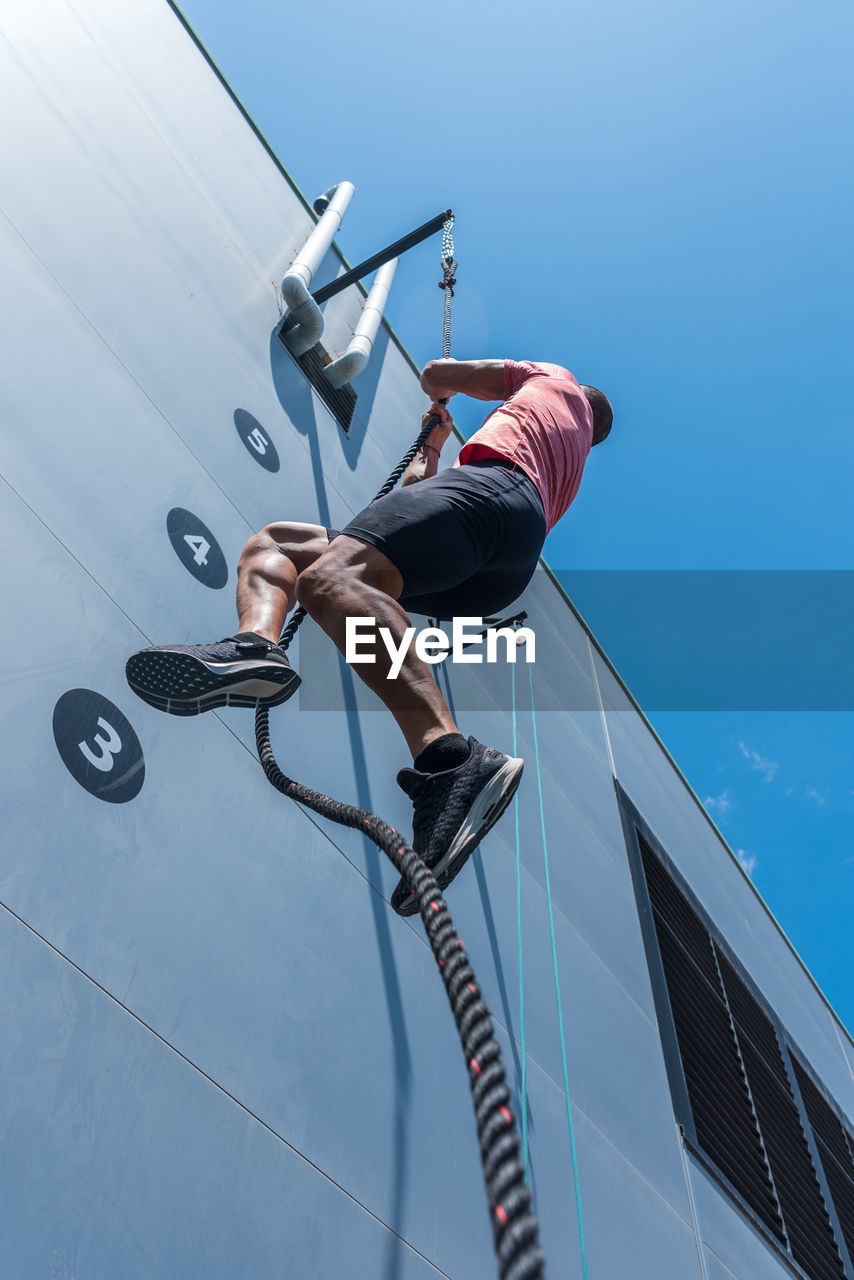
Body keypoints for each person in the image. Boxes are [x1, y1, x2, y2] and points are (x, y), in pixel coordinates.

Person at [126, 359, 613, 914]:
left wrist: (438, 390)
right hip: (501, 558)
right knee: (281, 548)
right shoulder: (565, 459)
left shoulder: (554, 379)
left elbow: (438, 371)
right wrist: (433, 447)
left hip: (492, 494)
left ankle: (451, 759)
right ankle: (257, 649)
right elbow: (412, 503)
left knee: (329, 578)